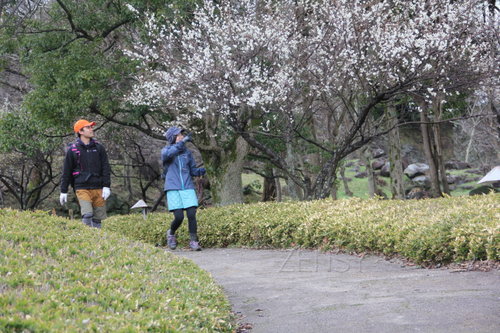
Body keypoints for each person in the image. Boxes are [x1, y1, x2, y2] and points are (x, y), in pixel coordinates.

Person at [60, 119, 111, 228]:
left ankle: (97, 241)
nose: (91, 129)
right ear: (80, 131)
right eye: (88, 127)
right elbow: (67, 171)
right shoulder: (72, 150)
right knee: (87, 214)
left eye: (91, 127)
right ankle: (86, 237)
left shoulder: (99, 148)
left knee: (98, 218)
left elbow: (106, 167)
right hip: (82, 187)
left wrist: (106, 186)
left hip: (98, 187)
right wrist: (63, 190)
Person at [162, 126, 206, 251]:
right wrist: (181, 143)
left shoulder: (187, 153)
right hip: (173, 187)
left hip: (187, 186)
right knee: (179, 217)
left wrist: (199, 172)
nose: (181, 137)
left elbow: (192, 170)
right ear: (172, 138)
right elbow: (169, 154)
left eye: (182, 135)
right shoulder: (166, 151)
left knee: (192, 214)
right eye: (178, 135)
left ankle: (194, 241)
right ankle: (171, 233)